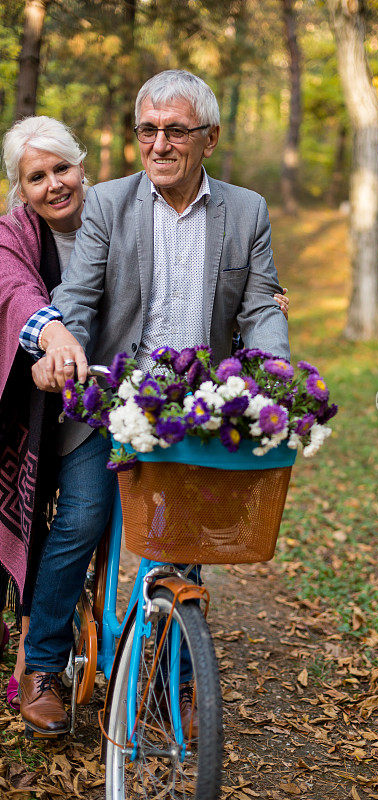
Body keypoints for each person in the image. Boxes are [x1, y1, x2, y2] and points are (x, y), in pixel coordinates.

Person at [19, 69, 291, 738]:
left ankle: (181, 682)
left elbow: (259, 305)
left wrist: (275, 367)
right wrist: (64, 353)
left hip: (193, 409)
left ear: (209, 138)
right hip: (108, 401)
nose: (160, 143)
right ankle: (41, 666)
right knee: (81, 522)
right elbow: (78, 301)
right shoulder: (108, 204)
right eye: (148, 129)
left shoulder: (246, 210)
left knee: (180, 548)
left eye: (176, 130)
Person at [0, 116, 90, 711]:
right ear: (20, 189)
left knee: (83, 519)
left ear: (83, 165)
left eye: (63, 167)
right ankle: (35, 662)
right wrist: (51, 333)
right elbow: (14, 289)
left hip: (97, 405)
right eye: (38, 176)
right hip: (29, 408)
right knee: (35, 518)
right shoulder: (14, 234)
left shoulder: (119, 216)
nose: (54, 184)